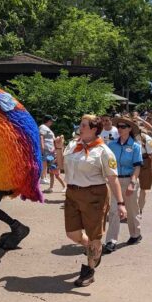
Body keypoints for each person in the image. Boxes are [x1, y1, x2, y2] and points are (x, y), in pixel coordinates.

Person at [58, 114, 127, 287]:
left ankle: (89, 271)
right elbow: (61, 167)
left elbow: (112, 179)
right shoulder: (74, 145)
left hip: (94, 196)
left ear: (94, 129)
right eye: (80, 125)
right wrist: (59, 149)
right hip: (73, 193)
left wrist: (120, 203)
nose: (79, 128)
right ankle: (92, 247)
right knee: (72, 233)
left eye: (83, 126)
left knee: (94, 235)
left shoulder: (104, 151)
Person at [104, 117, 143, 254]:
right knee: (114, 210)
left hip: (129, 180)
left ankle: (135, 234)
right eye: (119, 126)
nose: (120, 129)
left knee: (132, 210)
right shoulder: (111, 145)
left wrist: (133, 182)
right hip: (115, 181)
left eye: (123, 126)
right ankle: (111, 241)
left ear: (130, 129)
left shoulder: (135, 146)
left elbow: (137, 167)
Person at [137, 129, 152, 214]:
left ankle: (139, 210)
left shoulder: (146, 138)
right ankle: (132, 209)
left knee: (144, 188)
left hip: (145, 162)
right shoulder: (124, 137)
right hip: (130, 163)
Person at [39, 115, 57, 184]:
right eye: (51, 121)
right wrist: (42, 147)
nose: (52, 122)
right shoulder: (43, 127)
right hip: (46, 148)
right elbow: (41, 137)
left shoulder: (46, 128)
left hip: (49, 149)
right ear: (48, 121)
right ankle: (42, 178)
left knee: (46, 163)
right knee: (44, 163)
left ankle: (45, 178)